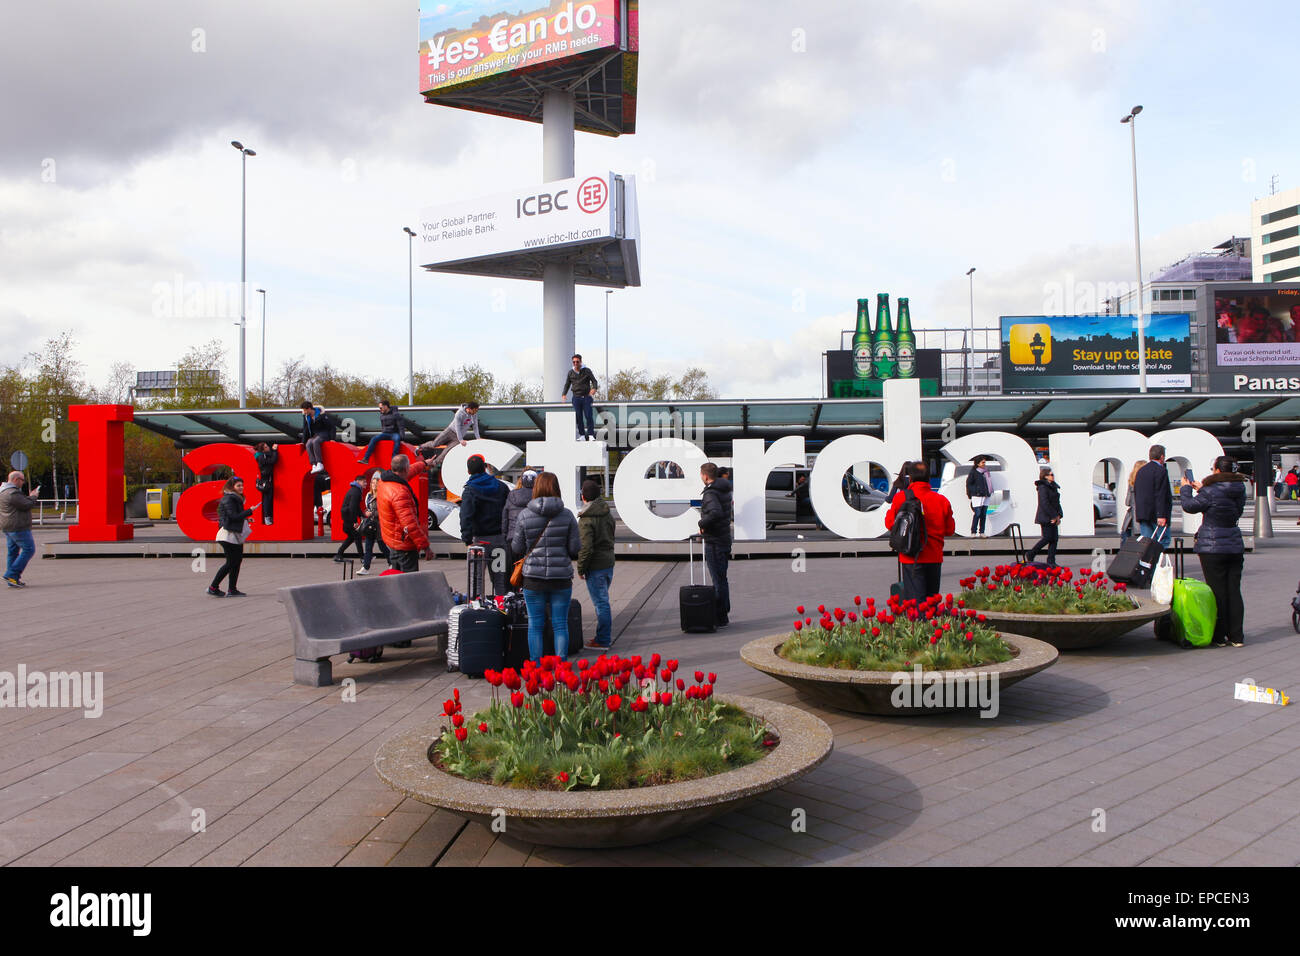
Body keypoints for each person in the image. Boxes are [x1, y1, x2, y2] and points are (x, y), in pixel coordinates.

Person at [510, 471, 581, 661]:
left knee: (535, 624)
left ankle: (536, 668)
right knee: (560, 624)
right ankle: (561, 668)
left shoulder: (525, 515)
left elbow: (516, 547)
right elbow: (575, 548)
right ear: (557, 488)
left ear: (536, 488)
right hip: (561, 578)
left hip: (533, 578)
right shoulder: (567, 515)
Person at [1180, 456, 1247, 647]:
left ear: (1217, 470)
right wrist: (1202, 489)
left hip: (1212, 546)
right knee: (1234, 590)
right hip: (1234, 544)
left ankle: (1219, 636)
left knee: (1217, 591)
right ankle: (1237, 636)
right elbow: (1226, 504)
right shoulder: (1239, 488)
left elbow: (1189, 506)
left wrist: (1186, 489)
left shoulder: (1210, 491)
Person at [884, 461, 955, 604]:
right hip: (934, 556)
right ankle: (931, 624)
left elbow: (890, 524)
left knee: (916, 603)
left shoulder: (901, 498)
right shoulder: (942, 500)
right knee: (931, 601)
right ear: (928, 478)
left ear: (910, 479)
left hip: (911, 557)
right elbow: (949, 530)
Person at [459, 454, 508, 594]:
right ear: (486, 467)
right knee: (500, 579)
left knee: (476, 579)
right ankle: (502, 606)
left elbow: (466, 516)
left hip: (478, 542)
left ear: (468, 471)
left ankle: (477, 608)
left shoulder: (469, 490)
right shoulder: (501, 487)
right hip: (499, 539)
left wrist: (467, 539)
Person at [376, 454, 434, 572]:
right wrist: (425, 546)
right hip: (404, 546)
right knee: (409, 584)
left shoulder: (384, 481)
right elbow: (410, 524)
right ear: (405, 469)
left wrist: (424, 463)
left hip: (392, 540)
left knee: (397, 580)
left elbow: (411, 470)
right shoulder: (399, 493)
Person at [577, 479, 616, 649]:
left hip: (596, 566)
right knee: (603, 601)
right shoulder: (606, 512)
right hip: (608, 562)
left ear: (583, 497)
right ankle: (603, 637)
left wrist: (581, 567)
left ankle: (603, 640)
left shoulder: (586, 519)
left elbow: (586, 548)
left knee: (601, 603)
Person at [207, 477, 257, 597]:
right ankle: (213, 587)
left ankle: (232, 589)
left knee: (236, 561)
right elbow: (233, 516)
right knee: (231, 562)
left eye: (242, 485)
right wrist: (249, 511)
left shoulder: (234, 498)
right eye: (238, 486)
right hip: (228, 535)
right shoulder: (229, 499)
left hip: (234, 534)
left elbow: (233, 517)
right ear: (232, 487)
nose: (241, 488)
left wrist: (246, 518)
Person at [698, 462, 733, 627]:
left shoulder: (711, 493)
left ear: (705, 476)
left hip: (714, 542)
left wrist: (701, 523)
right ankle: (723, 613)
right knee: (722, 578)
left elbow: (715, 513)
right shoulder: (724, 489)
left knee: (717, 580)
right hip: (724, 539)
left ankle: (720, 616)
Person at [1, 471, 39, 589]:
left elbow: (21, 503)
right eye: (22, 480)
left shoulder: (4, 491)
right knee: (29, 549)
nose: (23, 483)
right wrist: (33, 496)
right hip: (18, 527)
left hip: (8, 526)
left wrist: (29, 498)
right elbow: (26, 505)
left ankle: (13, 580)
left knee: (12, 553)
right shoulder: (12, 493)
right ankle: (11, 574)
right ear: (16, 479)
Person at [419, 401, 481, 469]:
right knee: (435, 444)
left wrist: (478, 438)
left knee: (446, 452)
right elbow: (457, 427)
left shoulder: (474, 416)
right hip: (450, 431)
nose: (475, 412)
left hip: (457, 438)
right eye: (475, 410)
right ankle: (421, 447)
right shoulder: (459, 413)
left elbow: (475, 427)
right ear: (469, 409)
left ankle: (434, 463)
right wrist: (461, 439)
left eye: (476, 411)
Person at [1132, 444, 1173, 544]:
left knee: (1146, 543)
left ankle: (1146, 560)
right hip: (1157, 514)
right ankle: (1156, 559)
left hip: (1143, 513)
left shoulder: (1141, 471)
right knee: (1163, 540)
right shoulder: (1161, 471)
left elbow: (1137, 492)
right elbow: (1161, 494)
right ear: (1162, 457)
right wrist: (1161, 515)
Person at [501, 469, 537, 573]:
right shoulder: (538, 496)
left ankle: (514, 589)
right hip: (533, 540)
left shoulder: (512, 495)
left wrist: (505, 536)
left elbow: (504, 518)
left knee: (514, 571)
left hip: (513, 538)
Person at [1025, 466, 1062, 566]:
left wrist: (1059, 515)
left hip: (1054, 515)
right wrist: (1053, 516)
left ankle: (1051, 561)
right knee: (1047, 537)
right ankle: (1031, 553)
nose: (1053, 476)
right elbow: (1044, 503)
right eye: (1051, 475)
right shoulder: (1043, 487)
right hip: (1046, 516)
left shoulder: (1053, 487)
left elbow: (1057, 503)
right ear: (1045, 476)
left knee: (1054, 539)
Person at [561, 354, 599, 441]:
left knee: (588, 416)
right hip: (576, 398)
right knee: (578, 417)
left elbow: (594, 381)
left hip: (586, 397)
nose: (575, 363)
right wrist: (564, 394)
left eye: (577, 362)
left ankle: (590, 435)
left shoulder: (587, 371)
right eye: (574, 362)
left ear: (580, 362)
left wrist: (594, 389)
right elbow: (567, 384)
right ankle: (582, 435)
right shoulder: (570, 372)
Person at [357, 470, 388, 575]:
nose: (374, 485)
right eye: (373, 483)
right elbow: (367, 508)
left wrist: (373, 514)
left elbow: (384, 511)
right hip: (370, 525)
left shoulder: (382, 496)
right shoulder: (369, 495)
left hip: (379, 525)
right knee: (368, 547)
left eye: (376, 483)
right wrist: (366, 513)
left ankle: (391, 563)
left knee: (382, 546)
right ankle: (366, 567)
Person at [358, 400, 407, 465]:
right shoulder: (382, 415)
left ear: (386, 406)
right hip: (385, 433)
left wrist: (402, 437)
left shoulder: (396, 414)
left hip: (394, 433)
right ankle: (366, 459)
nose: (380, 409)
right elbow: (383, 426)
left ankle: (393, 460)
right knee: (374, 439)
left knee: (397, 439)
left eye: (381, 407)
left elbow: (401, 426)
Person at [333, 474, 368, 563]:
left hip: (347, 518)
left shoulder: (355, 490)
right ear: (358, 481)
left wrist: (362, 516)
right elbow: (352, 508)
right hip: (349, 519)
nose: (366, 484)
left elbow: (356, 507)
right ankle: (363, 558)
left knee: (352, 537)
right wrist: (354, 522)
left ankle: (339, 555)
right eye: (364, 482)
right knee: (357, 537)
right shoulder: (356, 492)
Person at [299, 401, 337, 474]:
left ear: (309, 409)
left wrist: (332, 439)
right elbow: (305, 429)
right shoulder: (306, 417)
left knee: (315, 441)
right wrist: (303, 441)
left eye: (305, 410)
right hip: (316, 435)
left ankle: (320, 463)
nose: (304, 412)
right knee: (308, 444)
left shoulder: (321, 415)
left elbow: (332, 427)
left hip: (324, 434)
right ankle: (313, 464)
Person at [1119, 459, 1145, 543]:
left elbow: (1127, 502)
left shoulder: (1131, 483)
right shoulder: (1146, 485)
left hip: (1130, 519)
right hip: (1141, 521)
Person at [966, 456, 992, 537]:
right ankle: (973, 532)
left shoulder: (986, 471)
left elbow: (989, 482)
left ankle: (982, 532)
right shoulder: (974, 472)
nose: (984, 464)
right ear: (978, 463)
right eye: (983, 462)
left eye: (985, 462)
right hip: (977, 496)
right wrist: (975, 491)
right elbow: (969, 484)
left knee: (983, 514)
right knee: (977, 513)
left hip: (986, 495)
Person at [253, 442, 277, 524]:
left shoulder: (261, 455)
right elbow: (272, 461)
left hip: (267, 480)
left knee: (269, 499)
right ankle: (267, 517)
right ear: (263, 450)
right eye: (266, 447)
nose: (268, 448)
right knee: (267, 499)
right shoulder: (261, 457)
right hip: (265, 481)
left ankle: (268, 516)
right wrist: (275, 451)